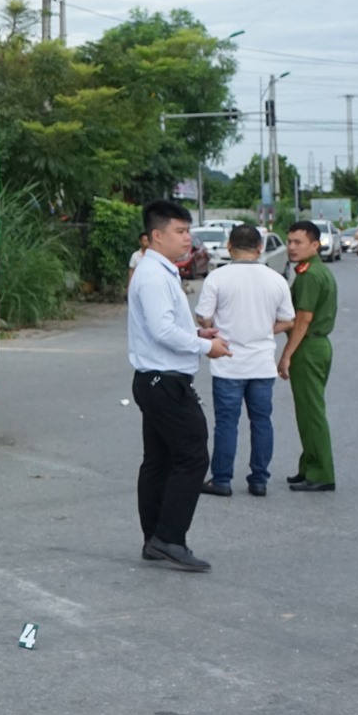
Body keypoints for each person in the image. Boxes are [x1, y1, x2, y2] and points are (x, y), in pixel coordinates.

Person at [125, 198, 230, 572]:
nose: (188, 239)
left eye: (189, 231)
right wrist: (207, 347)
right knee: (193, 455)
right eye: (180, 232)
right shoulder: (154, 275)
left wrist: (198, 332)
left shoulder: (159, 270)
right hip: (163, 383)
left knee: (159, 461)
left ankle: (155, 539)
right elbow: (161, 330)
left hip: (157, 380)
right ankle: (169, 538)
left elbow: (167, 326)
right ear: (156, 235)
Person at [193, 224, 295, 498]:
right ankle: (259, 480)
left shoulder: (217, 278)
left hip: (228, 362)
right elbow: (288, 320)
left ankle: (222, 479)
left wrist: (217, 326)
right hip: (262, 364)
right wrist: (263, 329)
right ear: (260, 247)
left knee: (226, 423)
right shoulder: (276, 280)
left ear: (229, 246)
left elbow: (203, 317)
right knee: (262, 421)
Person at [279, 220, 339, 493]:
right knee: (307, 411)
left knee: (311, 413)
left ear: (315, 245)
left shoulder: (311, 275)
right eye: (289, 241)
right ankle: (309, 466)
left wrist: (286, 355)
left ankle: (322, 473)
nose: (292, 247)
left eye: (298, 242)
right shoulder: (309, 271)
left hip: (309, 347)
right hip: (315, 346)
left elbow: (302, 320)